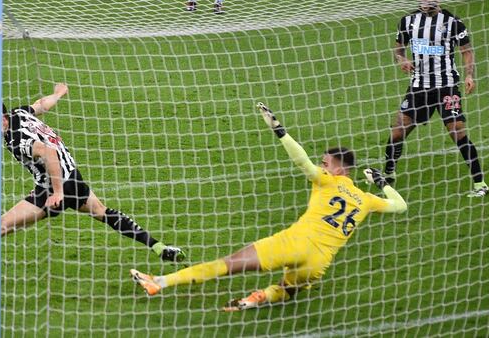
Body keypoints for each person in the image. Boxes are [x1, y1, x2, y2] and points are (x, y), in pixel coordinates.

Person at [130, 103, 407, 311]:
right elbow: (400, 205)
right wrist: (381, 181)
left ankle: (160, 282)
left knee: (227, 265)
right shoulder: (366, 200)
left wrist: (279, 130)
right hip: (318, 263)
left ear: (339, 169)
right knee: (288, 290)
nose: (322, 165)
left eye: (326, 163)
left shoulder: (327, 181)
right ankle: (258, 298)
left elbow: (303, 163)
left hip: (294, 243)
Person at [0, 83, 184, 277]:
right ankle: (160, 247)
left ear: (1, 120)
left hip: (52, 188)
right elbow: (41, 105)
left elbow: (48, 152)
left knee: (0, 227)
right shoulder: (19, 113)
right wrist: (58, 93)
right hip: (73, 177)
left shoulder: (16, 140)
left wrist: (56, 192)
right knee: (103, 213)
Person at [382, 0, 488, 197]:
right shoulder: (408, 21)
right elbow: (399, 49)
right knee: (398, 130)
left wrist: (469, 75)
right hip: (419, 87)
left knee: (457, 132)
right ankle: (389, 172)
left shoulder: (452, 22)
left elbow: (466, 50)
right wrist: (402, 60)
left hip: (447, 86)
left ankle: (480, 184)